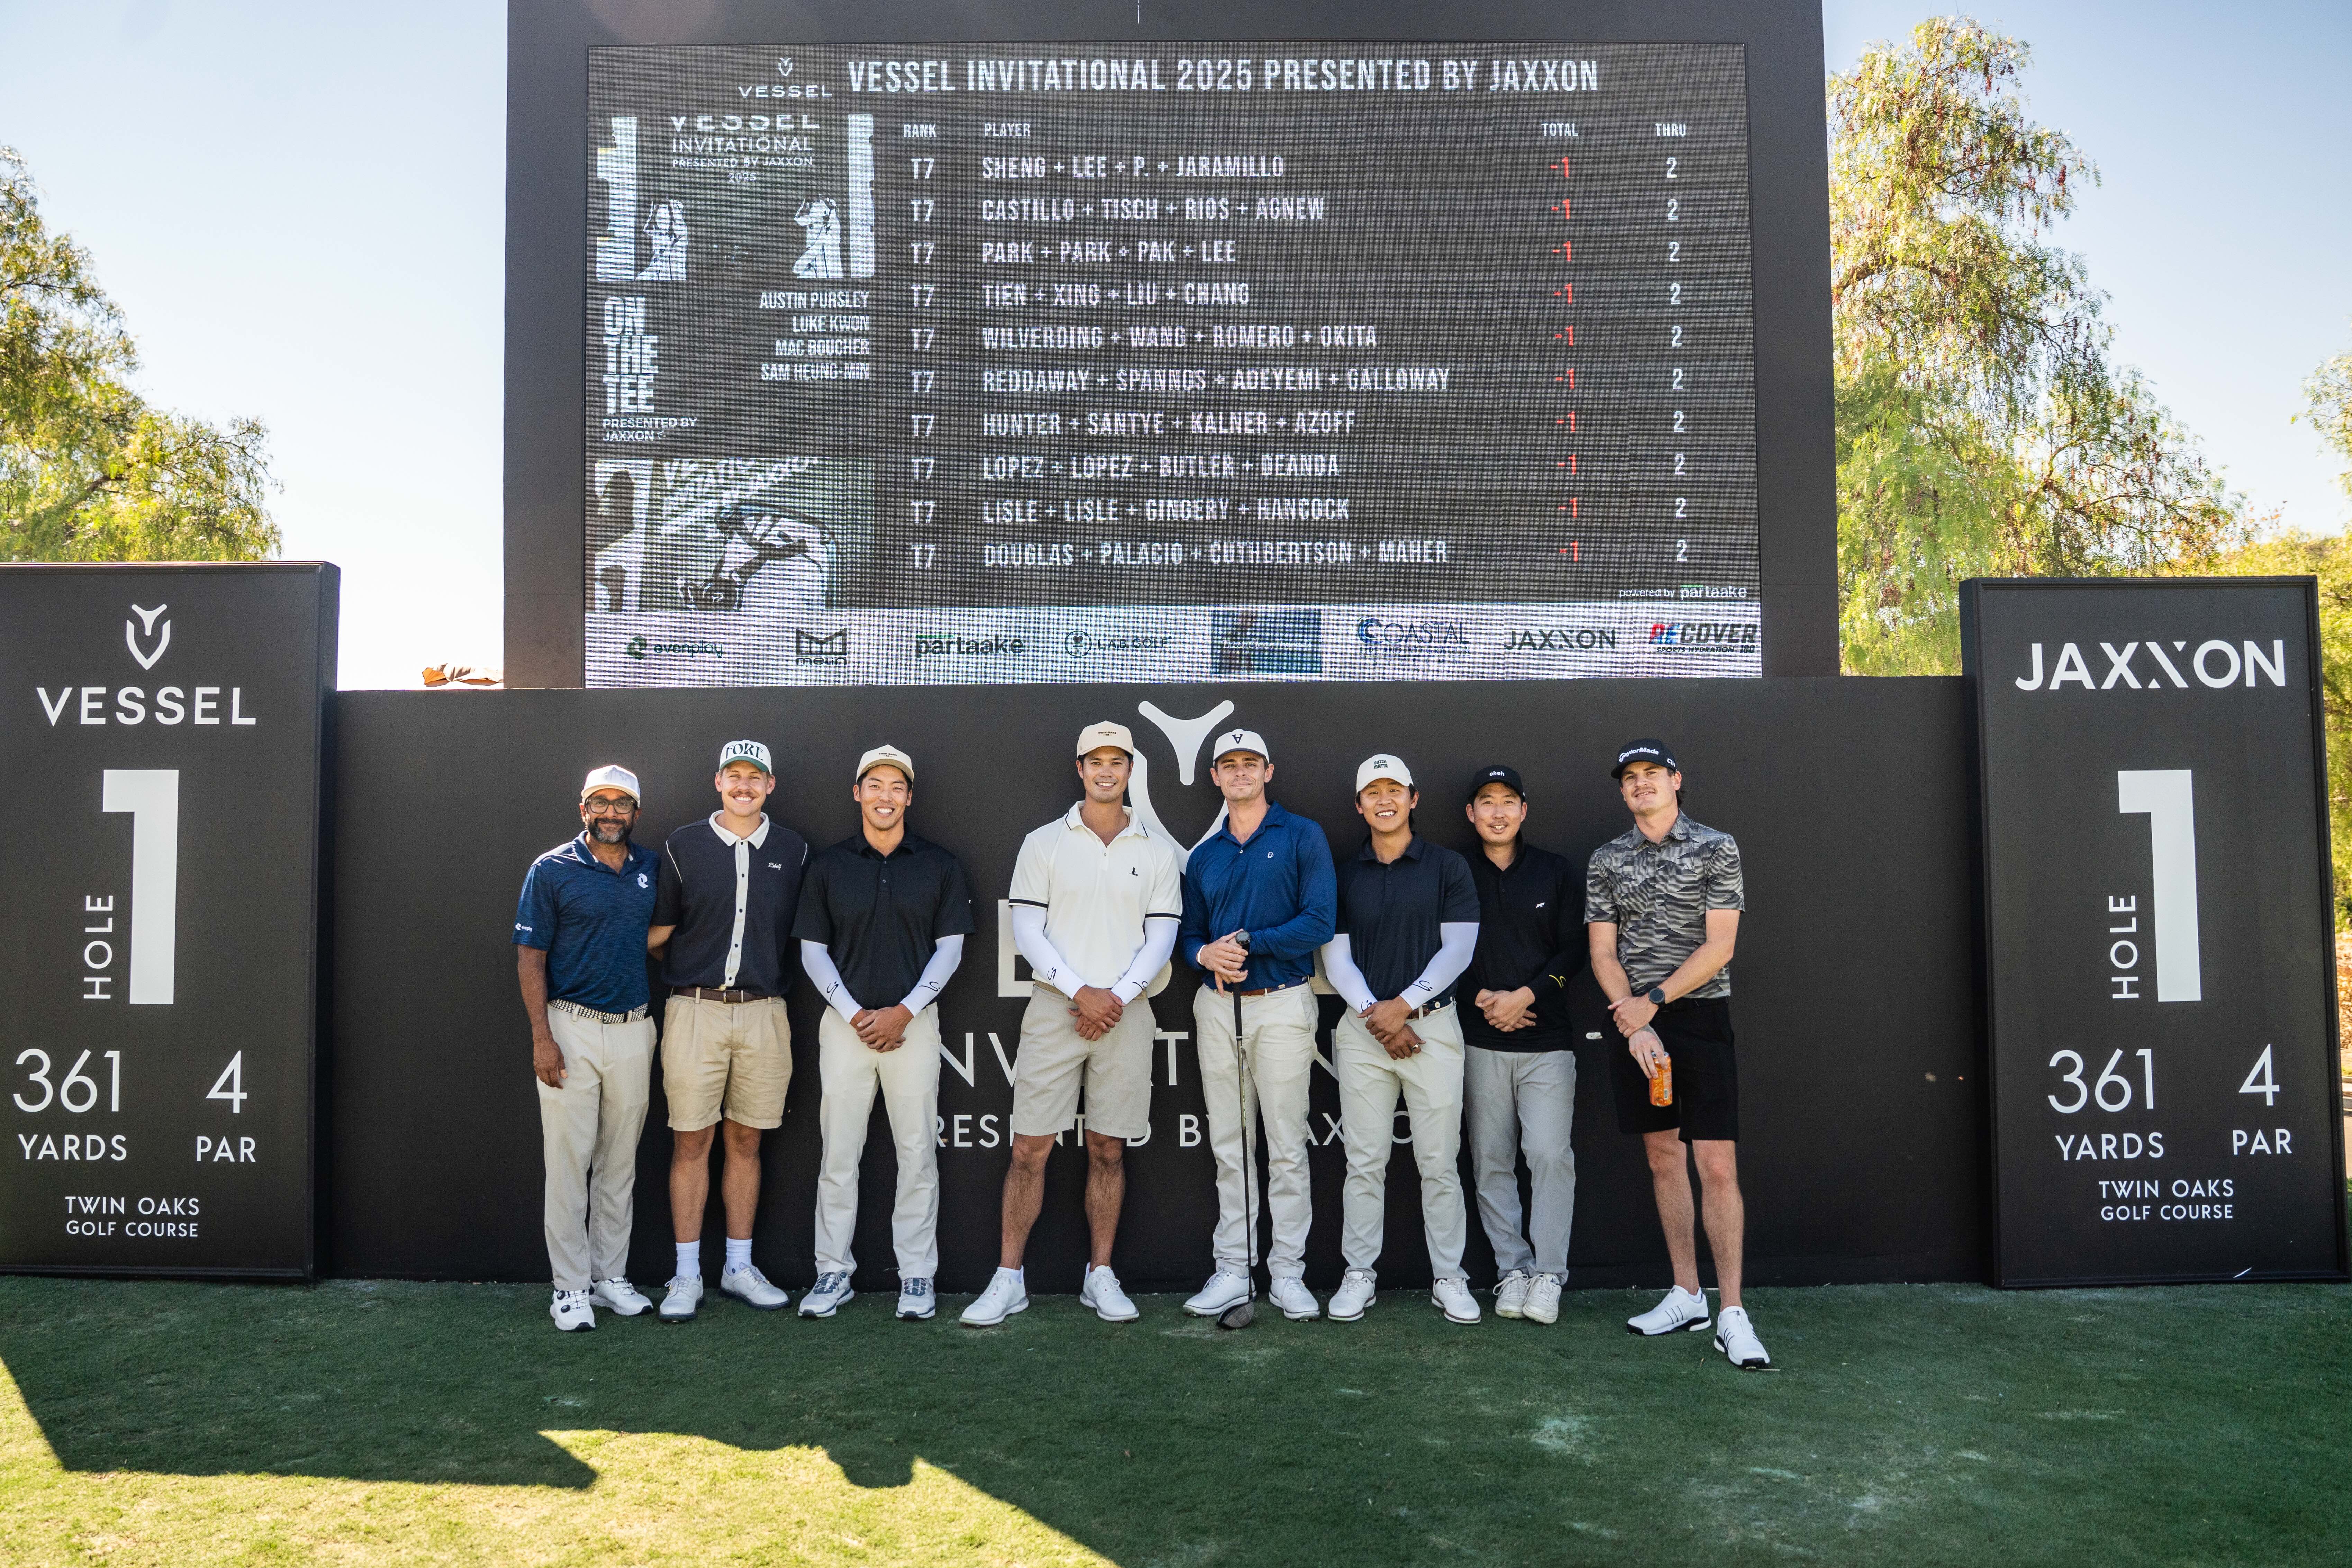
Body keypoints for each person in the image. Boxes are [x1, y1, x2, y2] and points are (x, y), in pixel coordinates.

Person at [962, 722, 1183, 1326]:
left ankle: (1100, 1276)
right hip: (1056, 1010)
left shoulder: (1157, 850)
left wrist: (1113, 997)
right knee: (1030, 1147)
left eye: (1118, 760)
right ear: (1080, 769)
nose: (1107, 770)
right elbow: (1028, 929)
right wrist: (1082, 992)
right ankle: (1009, 1279)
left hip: (1127, 1013)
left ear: (1130, 769)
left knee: (1109, 1148)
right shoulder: (1043, 843)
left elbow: (1162, 937)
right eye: (1096, 761)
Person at [1586, 739, 1770, 1369]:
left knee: (1716, 1164)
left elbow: (1722, 946)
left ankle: (1733, 1314)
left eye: (1652, 774)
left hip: (1698, 1018)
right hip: (1634, 1024)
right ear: (1623, 790)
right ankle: (1688, 1295)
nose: (1642, 784)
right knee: (1665, 1158)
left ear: (1675, 781)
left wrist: (1654, 1004)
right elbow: (1603, 954)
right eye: (1631, 778)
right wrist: (1634, 1025)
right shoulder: (1607, 858)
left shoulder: (1717, 846)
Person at [794, 745, 975, 1321]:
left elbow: (951, 951)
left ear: (910, 797)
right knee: (839, 1154)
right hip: (845, 1027)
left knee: (918, 1153)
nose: (886, 796)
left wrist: (905, 1010)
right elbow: (813, 952)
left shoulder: (940, 865)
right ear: (858, 793)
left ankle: (917, 1275)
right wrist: (854, 1014)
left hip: (914, 1028)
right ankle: (832, 1272)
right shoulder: (827, 867)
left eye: (897, 786)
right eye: (875, 785)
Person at [1176, 727, 1336, 1322]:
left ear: (1268, 772)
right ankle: (1234, 1269)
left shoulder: (1301, 835)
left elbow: (1318, 922)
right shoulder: (1206, 854)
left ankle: (1287, 1274)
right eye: (1229, 765)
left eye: (1251, 764)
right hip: (1218, 1007)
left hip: (1283, 1002)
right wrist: (1205, 956)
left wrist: (1247, 943)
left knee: (1287, 1146)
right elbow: (1190, 936)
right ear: (1215, 777)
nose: (1240, 773)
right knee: (1229, 1143)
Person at [645, 740, 808, 1322]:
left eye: (756, 777)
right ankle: (686, 1275)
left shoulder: (794, 849)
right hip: (694, 1008)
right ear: (718, 782)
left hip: (765, 1011)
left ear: (771, 786)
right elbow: (657, 932)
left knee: (747, 1141)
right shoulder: (682, 844)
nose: (744, 786)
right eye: (734, 776)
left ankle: (738, 1267)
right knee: (692, 1140)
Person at [1320, 755, 1484, 1324]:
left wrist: (1403, 1007)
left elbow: (1458, 950)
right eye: (1372, 792)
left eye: (1395, 790)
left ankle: (1449, 1277)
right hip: (1365, 1032)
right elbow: (1335, 958)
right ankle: (1359, 1274)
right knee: (1364, 1161)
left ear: (1414, 798)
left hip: (1433, 1027)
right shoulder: (1343, 873)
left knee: (1440, 1163)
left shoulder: (1447, 867)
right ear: (1359, 805)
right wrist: (1378, 1015)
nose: (1384, 800)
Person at [513, 765, 660, 1332]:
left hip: (633, 1026)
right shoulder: (551, 869)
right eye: (600, 802)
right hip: (569, 1026)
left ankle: (609, 1278)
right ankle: (570, 1288)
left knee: (619, 1161)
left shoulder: (648, 867)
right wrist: (542, 1038)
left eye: (622, 804)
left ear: (636, 814)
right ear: (583, 809)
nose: (611, 813)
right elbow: (531, 957)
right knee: (570, 1163)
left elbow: (657, 931)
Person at [1459, 764, 1584, 1326]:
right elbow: (1441, 950)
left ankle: (1549, 1275)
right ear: (1471, 813)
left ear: (1524, 810)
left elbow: (1573, 952)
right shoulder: (1455, 872)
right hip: (1479, 1041)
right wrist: (1486, 998)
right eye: (1487, 801)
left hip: (1548, 1043)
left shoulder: (1555, 872)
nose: (1498, 811)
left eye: (1509, 800)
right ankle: (1512, 1268)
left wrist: (1526, 996)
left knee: (1549, 1155)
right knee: (1491, 1162)